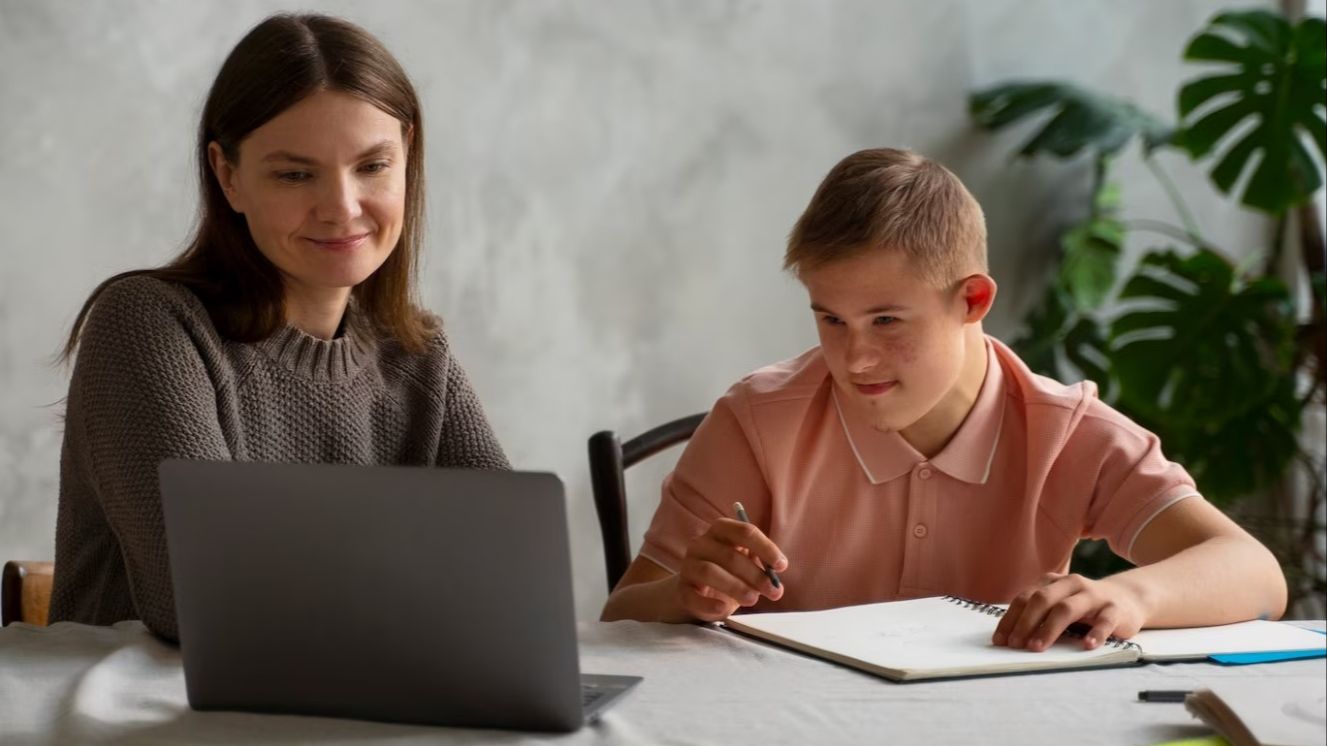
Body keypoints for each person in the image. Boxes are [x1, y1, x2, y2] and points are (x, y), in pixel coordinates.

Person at [601, 148, 1287, 651]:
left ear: (972, 300)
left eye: (886, 321)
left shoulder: (1063, 430)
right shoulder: (754, 421)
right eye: (829, 319)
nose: (854, 357)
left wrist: (1128, 594)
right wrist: (683, 595)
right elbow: (621, 615)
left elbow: (1256, 575)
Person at [49, 14, 509, 642]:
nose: (342, 207)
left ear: (407, 155)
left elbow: (509, 580)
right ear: (228, 175)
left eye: (372, 165)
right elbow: (207, 598)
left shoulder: (419, 357)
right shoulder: (148, 326)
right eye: (295, 174)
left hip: (357, 707)